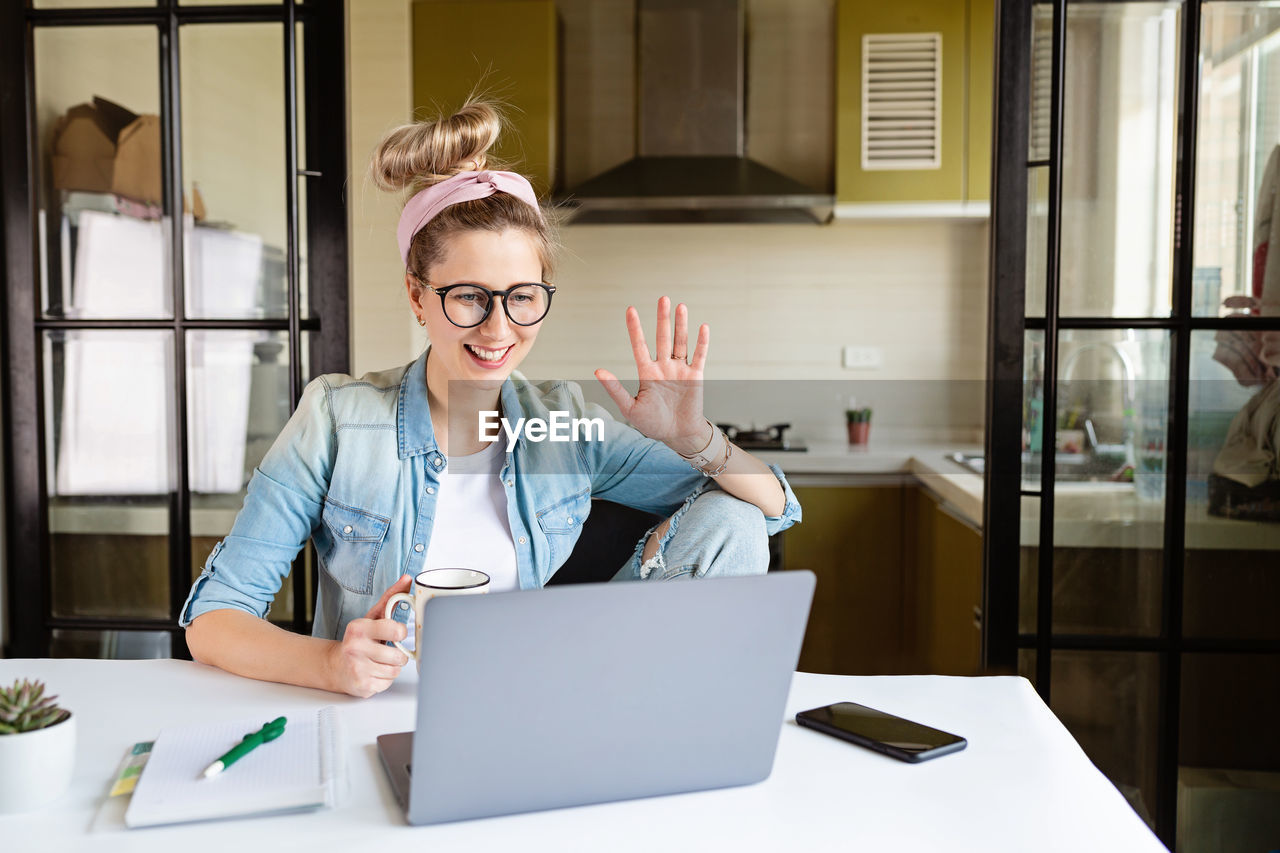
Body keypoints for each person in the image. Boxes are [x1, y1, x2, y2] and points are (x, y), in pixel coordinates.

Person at [182, 101, 802, 698]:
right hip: (379, 713)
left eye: (522, 296)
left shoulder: (562, 424)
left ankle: (641, 713)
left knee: (735, 518)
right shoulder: (336, 419)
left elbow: (774, 506)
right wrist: (330, 663)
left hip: (537, 699)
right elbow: (214, 618)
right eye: (469, 296)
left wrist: (694, 440)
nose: (499, 329)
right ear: (417, 295)